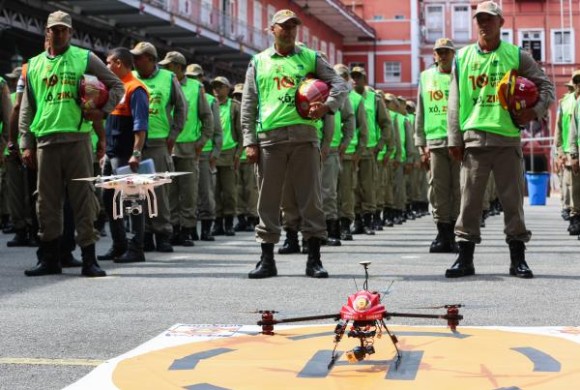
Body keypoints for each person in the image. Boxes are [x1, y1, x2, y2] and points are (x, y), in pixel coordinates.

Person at [446, 1, 554, 278]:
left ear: (500, 23)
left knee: (512, 202)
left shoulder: (516, 55)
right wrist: (454, 138)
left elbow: (546, 87)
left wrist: (534, 111)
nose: (484, 24)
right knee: (469, 203)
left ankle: (517, 259)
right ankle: (465, 259)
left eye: (490, 19)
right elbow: (454, 101)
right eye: (480, 19)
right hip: (473, 139)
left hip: (507, 138)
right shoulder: (463, 57)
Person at [241, 9, 347, 279]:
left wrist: (326, 107)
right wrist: (249, 141)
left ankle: (314, 259)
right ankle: (267, 260)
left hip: (304, 138)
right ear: (271, 29)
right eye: (283, 27)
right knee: (267, 201)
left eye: (292, 26)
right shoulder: (258, 61)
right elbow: (249, 104)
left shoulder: (310, 58)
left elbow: (339, 84)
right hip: (270, 140)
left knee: (311, 199)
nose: (288, 31)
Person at [19, 10, 124, 277]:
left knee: (83, 200)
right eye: (55, 29)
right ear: (47, 32)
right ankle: (49, 258)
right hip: (45, 141)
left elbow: (116, 86)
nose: (60, 33)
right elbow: (27, 108)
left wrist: (102, 112)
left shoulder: (84, 57)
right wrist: (25, 143)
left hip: (77, 139)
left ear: (71, 32)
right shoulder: (33, 65)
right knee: (46, 202)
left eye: (64, 29)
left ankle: (89, 258)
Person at [130, 41, 187, 252]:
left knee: (159, 192)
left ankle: (163, 234)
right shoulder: (131, 78)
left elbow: (182, 109)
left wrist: (173, 135)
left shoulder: (168, 78)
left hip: (158, 143)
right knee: (136, 191)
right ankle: (143, 234)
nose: (135, 61)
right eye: (133, 57)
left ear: (152, 59)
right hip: (135, 143)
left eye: (139, 57)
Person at [97, 47, 149, 263]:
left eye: (108, 62)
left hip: (126, 154)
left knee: (132, 200)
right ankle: (119, 245)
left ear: (118, 63)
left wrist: (136, 153)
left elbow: (140, 125)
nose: (106, 66)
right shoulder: (115, 88)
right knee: (109, 200)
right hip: (111, 153)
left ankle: (136, 247)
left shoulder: (135, 88)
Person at [159, 53, 213, 247]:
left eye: (169, 65)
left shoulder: (196, 87)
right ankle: (173, 228)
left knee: (189, 192)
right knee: (170, 192)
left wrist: (201, 142)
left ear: (179, 67)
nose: (165, 68)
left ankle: (187, 230)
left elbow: (207, 118)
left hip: (189, 148)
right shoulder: (164, 82)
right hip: (167, 146)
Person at [414, 38, 461, 253]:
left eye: (447, 52)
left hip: (458, 141)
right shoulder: (426, 77)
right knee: (438, 190)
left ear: (453, 54)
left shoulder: (460, 76)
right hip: (435, 142)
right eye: (439, 52)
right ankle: (442, 233)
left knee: (459, 189)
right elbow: (420, 111)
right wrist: (420, 143)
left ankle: (455, 233)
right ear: (434, 55)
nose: (443, 55)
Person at [210, 76, 242, 237]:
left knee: (229, 191)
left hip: (229, 152)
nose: (216, 89)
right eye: (215, 86)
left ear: (228, 89)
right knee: (215, 191)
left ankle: (229, 222)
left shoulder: (235, 106)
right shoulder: (209, 103)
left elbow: (242, 133)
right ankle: (218, 222)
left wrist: (238, 153)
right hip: (212, 153)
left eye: (220, 86)